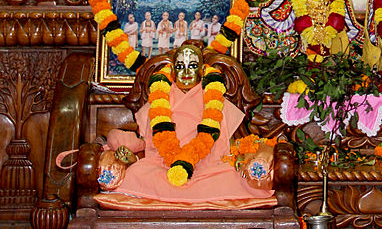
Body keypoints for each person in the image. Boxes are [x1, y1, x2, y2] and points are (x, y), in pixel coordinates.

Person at [102, 41, 275, 207]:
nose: (186, 72)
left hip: (210, 172)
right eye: (180, 66)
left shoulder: (216, 101)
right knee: (136, 174)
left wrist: (242, 157)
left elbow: (229, 145)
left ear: (202, 70)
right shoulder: (158, 101)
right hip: (161, 169)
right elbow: (147, 144)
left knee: (232, 178)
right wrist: (132, 156)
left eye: (192, 66)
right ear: (172, 71)